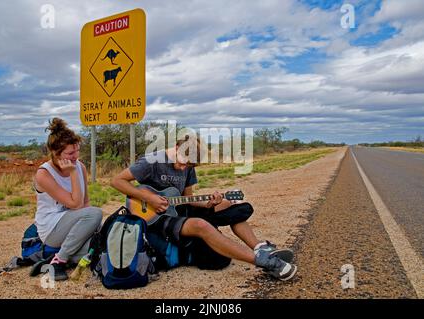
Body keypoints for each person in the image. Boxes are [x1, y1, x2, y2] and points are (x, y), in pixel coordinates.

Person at [111, 136, 297, 281]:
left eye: (189, 165)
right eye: (182, 162)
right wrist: (149, 197)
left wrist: (210, 202)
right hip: (154, 219)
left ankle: (259, 247)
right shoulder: (151, 161)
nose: (184, 168)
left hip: (178, 209)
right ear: (176, 147)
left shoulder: (187, 167)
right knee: (200, 225)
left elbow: (187, 199)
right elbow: (116, 181)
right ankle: (265, 262)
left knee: (229, 205)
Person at [33, 118, 102, 281]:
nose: (75, 156)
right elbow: (76, 204)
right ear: (56, 154)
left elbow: (85, 203)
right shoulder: (44, 174)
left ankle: (56, 257)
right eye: (70, 153)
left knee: (100, 244)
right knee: (95, 213)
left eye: (77, 151)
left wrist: (94, 229)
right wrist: (72, 173)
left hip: (73, 224)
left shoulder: (80, 166)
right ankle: (59, 261)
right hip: (52, 228)